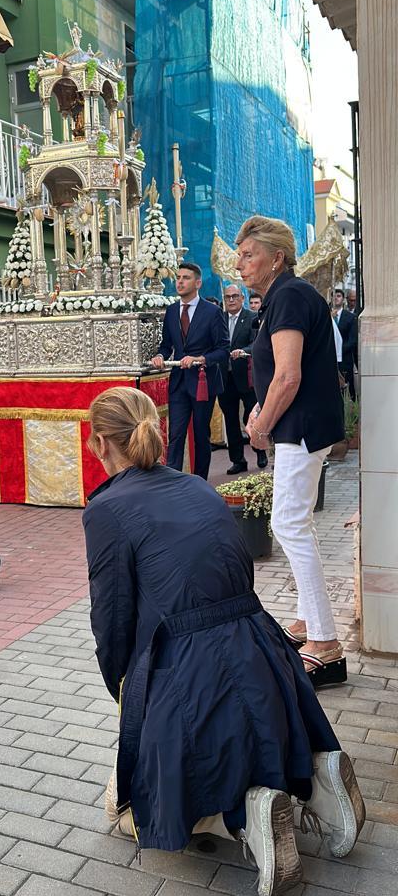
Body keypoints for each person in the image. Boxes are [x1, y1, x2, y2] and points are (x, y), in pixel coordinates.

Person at [83, 387, 364, 896]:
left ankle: (245, 817)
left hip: (190, 666)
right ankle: (318, 774)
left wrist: (126, 690)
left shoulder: (107, 509)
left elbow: (112, 618)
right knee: (249, 735)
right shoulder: (198, 486)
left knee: (139, 810)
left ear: (100, 443)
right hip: (264, 647)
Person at [235, 216, 346, 686]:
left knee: (286, 523)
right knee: (295, 522)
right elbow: (277, 372)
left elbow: (289, 376)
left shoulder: (289, 296)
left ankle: (326, 643)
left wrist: (262, 423)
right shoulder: (283, 297)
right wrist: (261, 406)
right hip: (300, 424)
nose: (240, 264)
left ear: (276, 257)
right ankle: (307, 621)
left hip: (300, 427)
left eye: (248, 255)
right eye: (240, 255)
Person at [150, 262, 229, 479]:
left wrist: (201, 358)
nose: (180, 282)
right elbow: (167, 345)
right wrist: (160, 356)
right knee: (175, 435)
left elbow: (223, 349)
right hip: (178, 383)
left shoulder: (212, 312)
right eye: (178, 278)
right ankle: (174, 482)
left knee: (201, 435)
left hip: (204, 382)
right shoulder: (172, 310)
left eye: (186, 278)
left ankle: (200, 482)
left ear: (198, 282)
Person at [218, 284, 267, 474]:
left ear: (242, 298)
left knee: (251, 416)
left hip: (247, 377)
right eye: (228, 297)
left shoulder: (252, 318)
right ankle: (238, 460)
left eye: (235, 296)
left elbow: (258, 343)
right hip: (225, 377)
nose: (231, 300)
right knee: (230, 420)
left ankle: (259, 450)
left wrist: (244, 351)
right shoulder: (219, 319)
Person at [331, 288, 357, 400]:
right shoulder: (326, 316)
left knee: (348, 390)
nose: (336, 298)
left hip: (345, 360)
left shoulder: (350, 317)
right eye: (334, 296)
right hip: (330, 360)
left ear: (343, 299)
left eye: (339, 296)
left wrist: (338, 350)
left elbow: (352, 341)